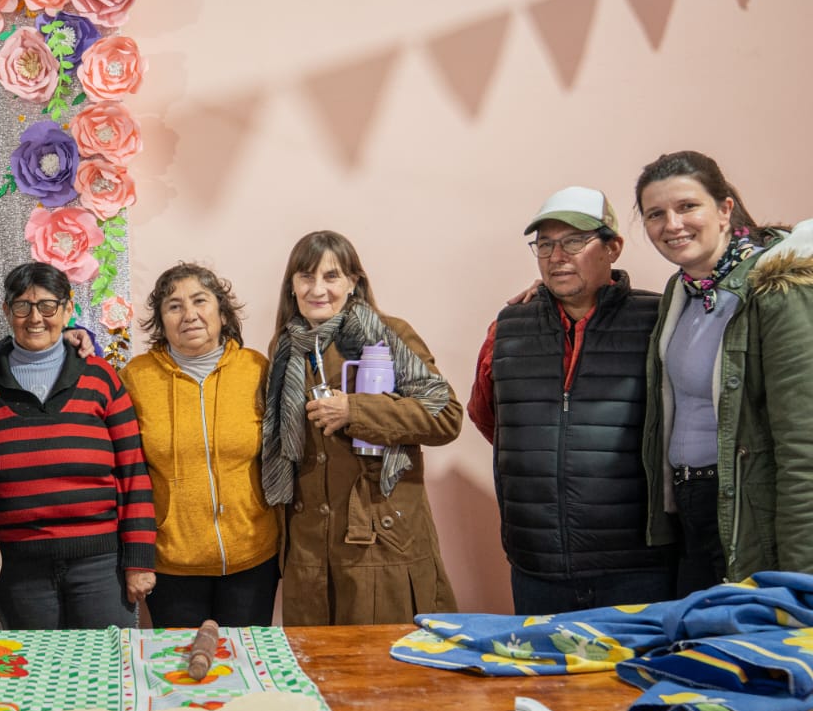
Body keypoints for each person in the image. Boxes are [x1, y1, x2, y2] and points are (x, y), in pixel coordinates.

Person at [468, 188, 675, 614]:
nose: (557, 255)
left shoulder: (659, 320)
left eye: (575, 241)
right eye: (545, 244)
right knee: (541, 681)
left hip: (639, 568)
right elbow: (490, 419)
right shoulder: (507, 328)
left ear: (613, 248)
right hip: (537, 565)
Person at [260, 231, 460, 626]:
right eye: (306, 276)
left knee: (384, 677)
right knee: (314, 676)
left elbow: (445, 415)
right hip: (309, 551)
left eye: (331, 276)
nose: (318, 289)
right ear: (292, 286)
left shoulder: (389, 335)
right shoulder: (285, 348)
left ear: (354, 282)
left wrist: (355, 410)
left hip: (381, 541)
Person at [636, 151, 813, 589]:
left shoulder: (776, 288)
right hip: (693, 511)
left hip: (751, 515)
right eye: (655, 214)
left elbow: (804, 444)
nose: (671, 225)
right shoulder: (682, 290)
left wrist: (801, 577)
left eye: (687, 206)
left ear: (724, 209)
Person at [0, 262, 155, 629]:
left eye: (47, 306)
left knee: (105, 670)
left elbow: (133, 471)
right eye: (22, 306)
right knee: (36, 675)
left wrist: (139, 561)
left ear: (68, 310)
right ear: (7, 312)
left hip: (101, 565)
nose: (35, 317)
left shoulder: (100, 378)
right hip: (18, 570)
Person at [122, 263, 281, 627]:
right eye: (174, 306)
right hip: (172, 562)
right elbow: (128, 473)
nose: (189, 314)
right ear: (161, 322)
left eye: (200, 301)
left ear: (222, 313)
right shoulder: (136, 378)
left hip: (252, 556)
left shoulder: (257, 369)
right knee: (178, 671)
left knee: (244, 667)